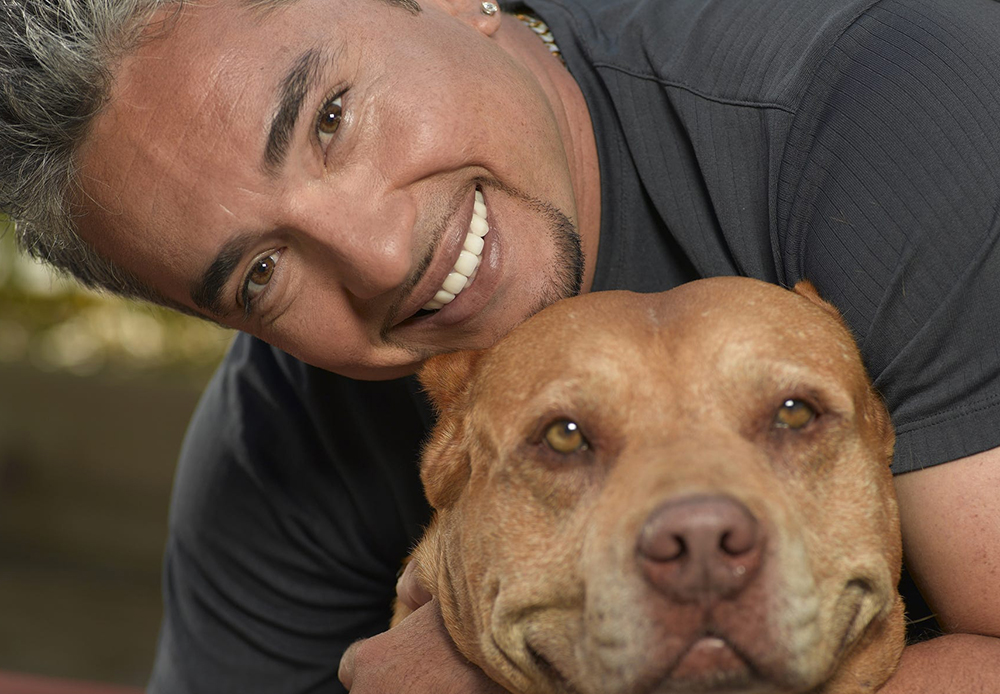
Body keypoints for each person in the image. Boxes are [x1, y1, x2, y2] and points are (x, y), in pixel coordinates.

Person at [3, 0, 1000, 691]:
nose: (383, 255)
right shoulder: (272, 461)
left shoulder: (895, 111)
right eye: (261, 271)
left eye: (332, 120)